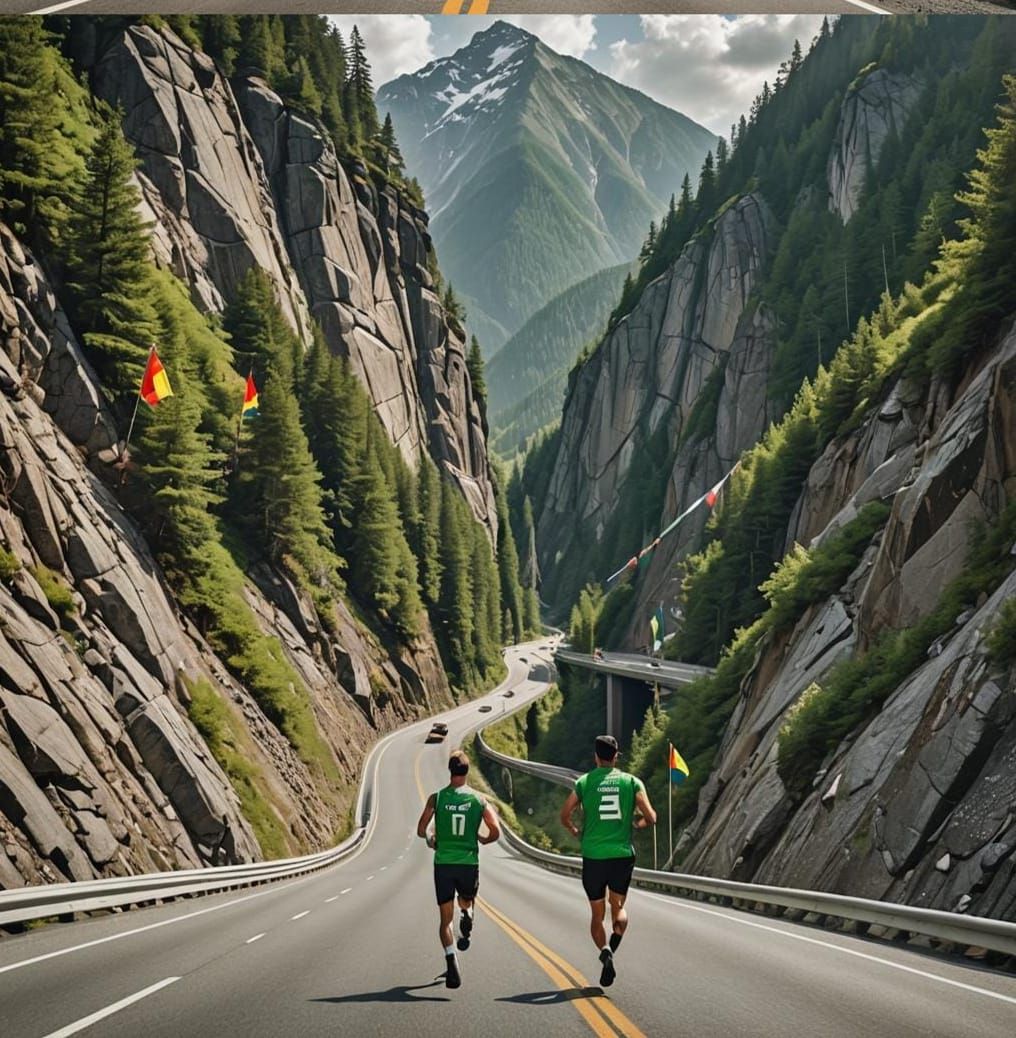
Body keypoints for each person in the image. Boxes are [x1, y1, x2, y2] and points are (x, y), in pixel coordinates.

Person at [559, 734, 656, 988]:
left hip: (593, 856)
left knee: (597, 914)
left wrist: (575, 831)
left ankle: (604, 950)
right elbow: (652, 816)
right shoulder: (632, 782)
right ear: (616, 756)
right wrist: (640, 823)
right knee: (619, 908)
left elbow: (565, 814)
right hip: (622, 855)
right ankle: (613, 944)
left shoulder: (584, 782)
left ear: (596, 756)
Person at [416, 749, 501, 988]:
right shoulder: (478, 800)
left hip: (443, 864)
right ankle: (468, 912)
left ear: (450, 771)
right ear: (467, 772)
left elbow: (422, 830)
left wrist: (432, 840)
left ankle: (451, 961)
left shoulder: (437, 798)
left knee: (445, 920)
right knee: (466, 899)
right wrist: (483, 839)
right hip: (468, 863)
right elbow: (495, 831)